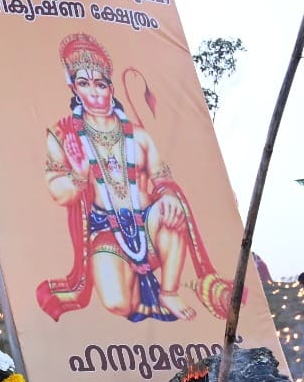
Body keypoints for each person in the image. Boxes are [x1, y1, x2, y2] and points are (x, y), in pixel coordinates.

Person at [38, 33, 230, 322]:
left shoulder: (137, 136)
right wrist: (79, 174)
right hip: (104, 230)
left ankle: (169, 290)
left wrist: (166, 195)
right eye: (84, 84)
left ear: (111, 87)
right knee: (118, 304)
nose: (94, 93)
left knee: (171, 205)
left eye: (100, 84)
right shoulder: (63, 135)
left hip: (149, 226)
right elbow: (57, 191)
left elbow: (162, 176)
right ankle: (132, 285)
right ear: (73, 88)